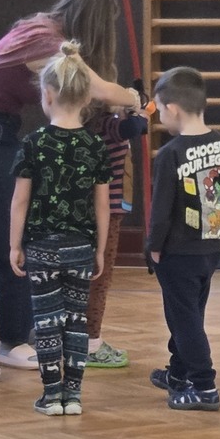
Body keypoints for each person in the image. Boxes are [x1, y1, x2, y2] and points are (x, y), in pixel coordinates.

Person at [0, 0, 142, 371]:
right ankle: (11, 342)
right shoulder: (48, 42)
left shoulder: (44, 29)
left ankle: (26, 331)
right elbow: (99, 89)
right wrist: (136, 100)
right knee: (13, 237)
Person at [9, 43, 111, 416]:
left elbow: (20, 201)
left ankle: (51, 396)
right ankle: (74, 396)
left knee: (47, 321)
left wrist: (14, 245)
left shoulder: (33, 144)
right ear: (86, 98)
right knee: (76, 320)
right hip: (80, 247)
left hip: (41, 247)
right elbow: (102, 204)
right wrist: (99, 248)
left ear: (47, 95)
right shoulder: (95, 145)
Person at [146, 66, 220, 411]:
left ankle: (204, 386)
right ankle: (178, 372)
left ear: (172, 108)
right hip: (211, 246)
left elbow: (160, 209)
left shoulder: (171, 153)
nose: (159, 117)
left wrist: (153, 247)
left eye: (158, 110)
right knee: (191, 312)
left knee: (183, 319)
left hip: (177, 251)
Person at [83, 101, 148, 369]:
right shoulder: (108, 123)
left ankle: (82, 339)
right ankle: (90, 344)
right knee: (100, 277)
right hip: (106, 212)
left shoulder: (94, 122)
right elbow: (137, 127)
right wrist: (136, 109)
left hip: (99, 210)